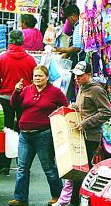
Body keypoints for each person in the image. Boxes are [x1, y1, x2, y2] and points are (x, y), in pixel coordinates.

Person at [56, 61, 111, 206]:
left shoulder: (96, 90)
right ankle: (75, 201)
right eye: (75, 75)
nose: (76, 78)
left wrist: (86, 123)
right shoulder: (82, 87)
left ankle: (78, 201)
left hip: (90, 136)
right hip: (80, 135)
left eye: (80, 76)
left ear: (88, 75)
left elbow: (106, 112)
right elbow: (85, 108)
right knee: (77, 171)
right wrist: (73, 107)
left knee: (80, 173)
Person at [9, 66, 67, 206]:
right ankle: (20, 198)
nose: (37, 78)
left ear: (47, 77)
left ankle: (58, 197)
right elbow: (14, 104)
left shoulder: (55, 92)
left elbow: (64, 108)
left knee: (49, 168)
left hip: (44, 135)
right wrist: (16, 91)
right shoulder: (27, 90)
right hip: (25, 135)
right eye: (35, 76)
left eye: (40, 76)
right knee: (22, 168)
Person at [0, 30, 37, 175]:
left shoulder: (2, 58)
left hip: (5, 98)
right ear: (22, 41)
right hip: (24, 98)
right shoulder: (30, 60)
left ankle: (4, 165)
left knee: (6, 129)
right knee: (23, 131)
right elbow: (35, 80)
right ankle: (22, 163)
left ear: (9, 41)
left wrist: (3, 88)